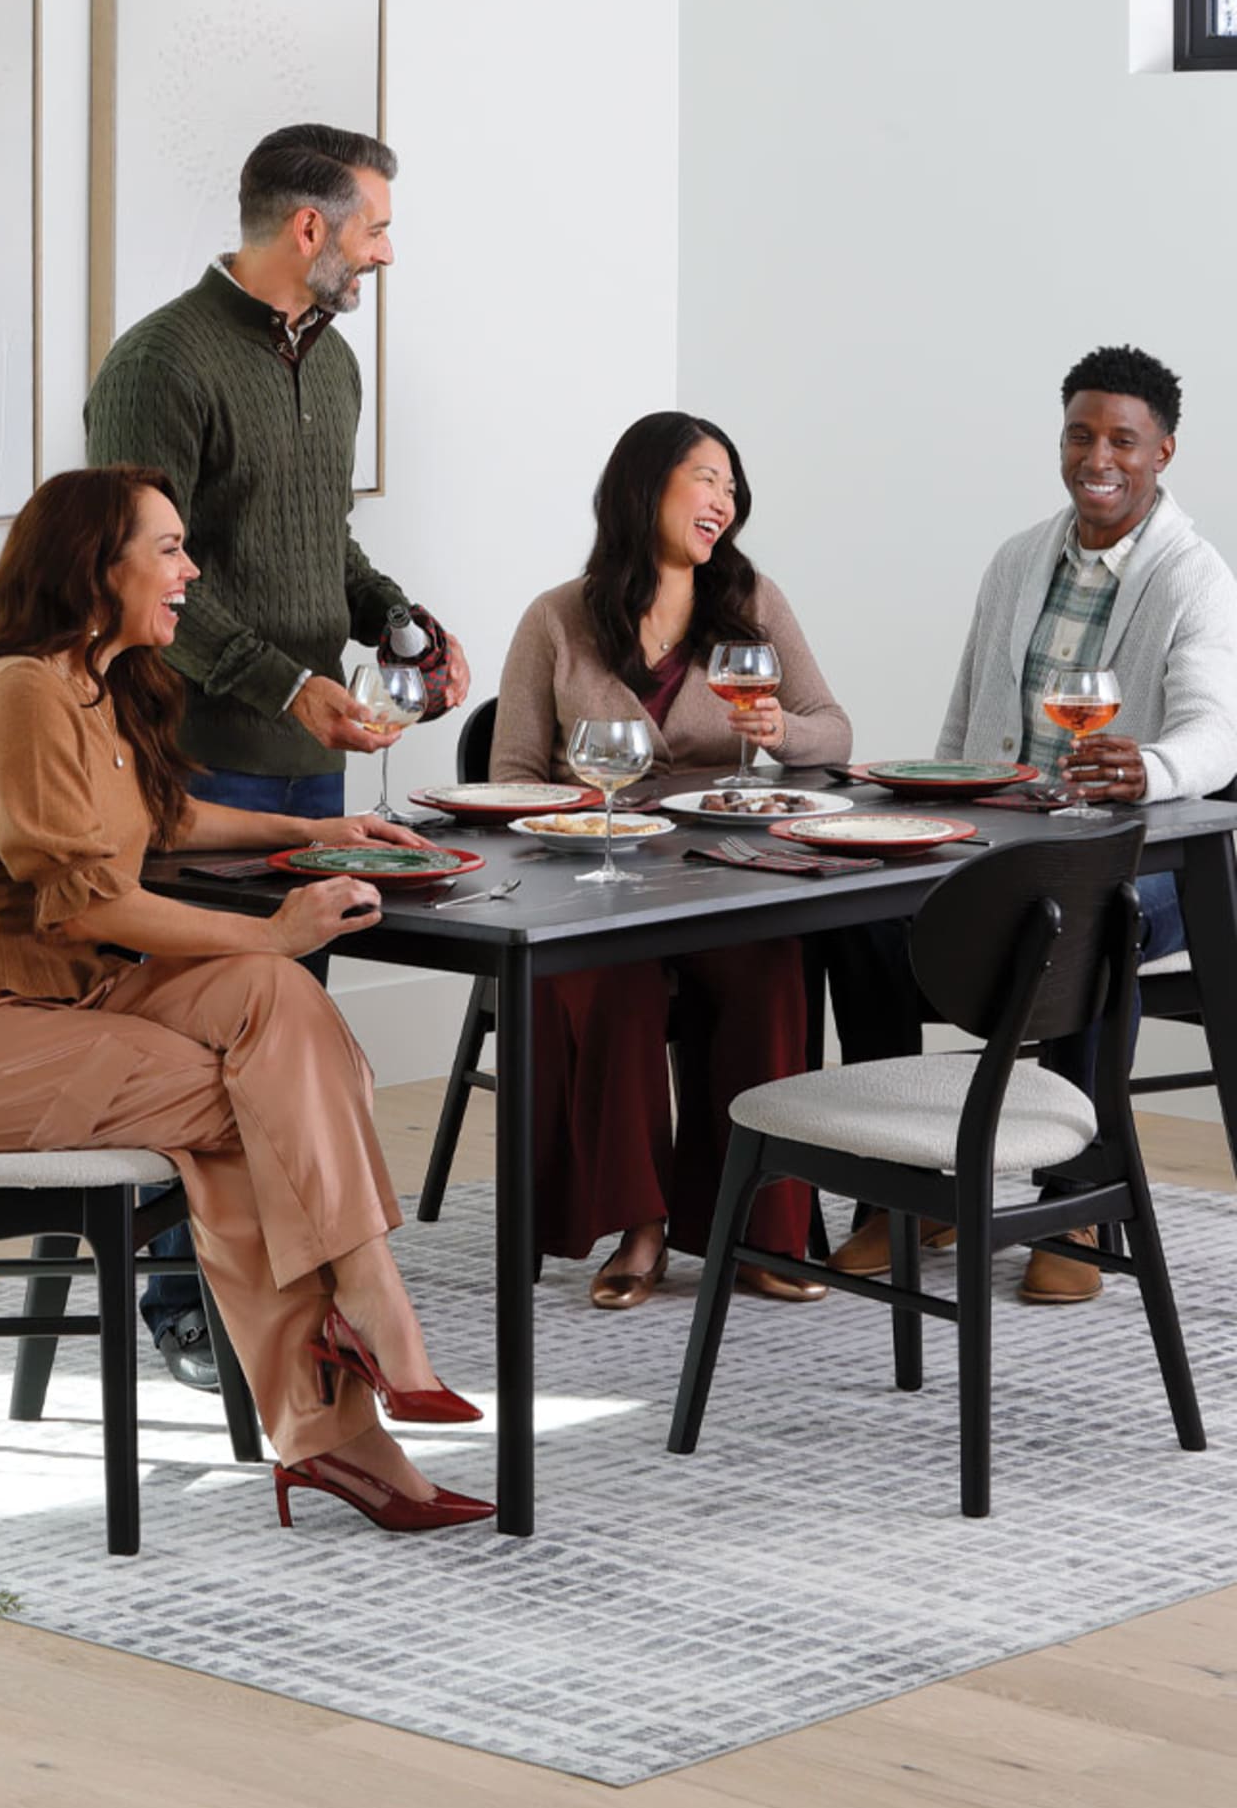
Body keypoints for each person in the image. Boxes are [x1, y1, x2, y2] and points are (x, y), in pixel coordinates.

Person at [0, 464, 492, 1534]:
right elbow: (82, 906)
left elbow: (166, 820)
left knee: (274, 1004)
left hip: (69, 1016)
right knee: (261, 1082)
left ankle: (360, 1346)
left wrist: (316, 831)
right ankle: (350, 1385)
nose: (191, 570)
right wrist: (271, 927)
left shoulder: (94, 681)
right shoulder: (19, 689)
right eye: (167, 548)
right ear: (93, 567)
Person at [85, 121, 470, 1387]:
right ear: (310, 229)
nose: (387, 252)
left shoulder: (338, 361)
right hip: (193, 762)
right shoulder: (162, 363)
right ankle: (179, 1309)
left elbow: (324, 548)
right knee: (187, 1040)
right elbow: (145, 579)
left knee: (291, 1030)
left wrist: (405, 622)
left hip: (313, 759)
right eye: (376, 227)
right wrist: (286, 684)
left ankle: (293, 1298)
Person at [827, 345, 1237, 1303]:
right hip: (1005, 837)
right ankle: (905, 1187)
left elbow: (1218, 731)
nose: (1099, 456)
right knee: (862, 919)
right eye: (1081, 433)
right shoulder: (1017, 560)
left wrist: (1154, 766)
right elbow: (965, 719)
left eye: (1123, 440)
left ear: (1163, 452)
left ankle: (1076, 1194)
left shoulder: (1196, 577)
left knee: (1096, 918)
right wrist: (921, 827)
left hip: (1143, 857)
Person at [490, 412, 853, 1309]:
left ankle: (757, 1229)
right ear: (645, 486)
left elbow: (832, 732)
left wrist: (781, 731)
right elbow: (509, 778)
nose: (725, 500)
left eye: (733, 485)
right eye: (706, 478)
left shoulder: (753, 602)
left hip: (724, 868)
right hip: (592, 878)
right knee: (610, 982)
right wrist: (584, 811)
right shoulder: (557, 618)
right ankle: (640, 1225)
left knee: (770, 969)